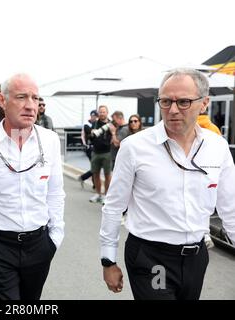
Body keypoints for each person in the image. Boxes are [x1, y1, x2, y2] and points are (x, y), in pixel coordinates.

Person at [100, 68, 235, 300]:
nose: (172, 110)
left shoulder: (217, 147)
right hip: (151, 257)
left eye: (183, 102)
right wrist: (108, 259)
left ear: (204, 103)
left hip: (196, 257)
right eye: (165, 101)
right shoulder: (135, 147)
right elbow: (113, 206)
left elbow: (229, 206)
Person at [0, 73, 65, 300]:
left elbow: (55, 191)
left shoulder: (51, 140)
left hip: (39, 244)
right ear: (2, 100)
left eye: (35, 98)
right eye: (21, 97)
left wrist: (55, 237)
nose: (30, 105)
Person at [196, 109, 222, 249]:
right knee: (205, 203)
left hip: (190, 170)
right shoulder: (213, 128)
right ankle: (205, 234)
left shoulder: (184, 128)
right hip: (209, 170)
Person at [88, 105, 113, 204]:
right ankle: (98, 194)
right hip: (95, 152)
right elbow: (90, 137)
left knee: (107, 175)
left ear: (107, 113)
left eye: (104, 112)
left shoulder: (111, 124)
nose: (102, 113)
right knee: (95, 174)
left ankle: (106, 195)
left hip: (107, 152)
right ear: (98, 113)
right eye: (100, 112)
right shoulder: (94, 124)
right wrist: (91, 133)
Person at [78, 110, 98, 188]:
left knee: (95, 167)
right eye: (92, 116)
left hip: (95, 148)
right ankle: (85, 179)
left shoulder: (95, 124)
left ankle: (92, 183)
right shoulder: (87, 125)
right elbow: (92, 134)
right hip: (89, 148)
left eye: (95, 116)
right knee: (95, 166)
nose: (94, 118)